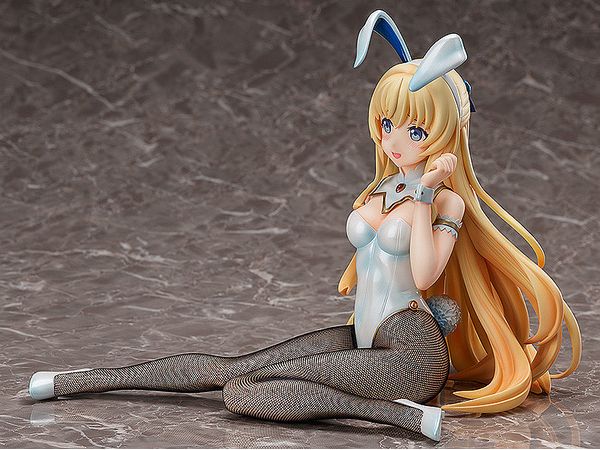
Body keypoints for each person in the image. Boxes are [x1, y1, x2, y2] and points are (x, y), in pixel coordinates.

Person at [27, 10, 581, 442]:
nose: (395, 140)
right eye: (388, 124)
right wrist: (411, 190)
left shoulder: (444, 204)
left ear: (444, 134)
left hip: (412, 353)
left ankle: (405, 417)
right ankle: (76, 381)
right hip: (366, 337)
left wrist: (426, 194)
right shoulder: (381, 189)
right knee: (234, 369)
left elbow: (423, 273)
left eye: (415, 131)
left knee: (245, 394)